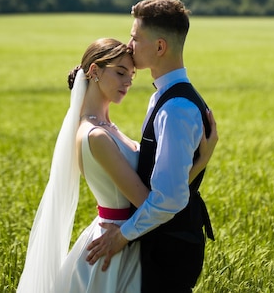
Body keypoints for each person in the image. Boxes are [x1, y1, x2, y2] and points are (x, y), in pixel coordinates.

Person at [16, 36, 217, 293]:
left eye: (131, 76)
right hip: (115, 245)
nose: (127, 82)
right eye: (121, 73)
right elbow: (147, 199)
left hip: (129, 237)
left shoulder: (107, 128)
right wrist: (200, 163)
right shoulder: (96, 135)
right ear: (94, 71)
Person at [86, 0, 217, 293]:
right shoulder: (164, 96)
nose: (129, 45)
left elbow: (169, 198)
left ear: (159, 47)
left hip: (170, 248)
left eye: (135, 37)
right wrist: (202, 160)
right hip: (162, 241)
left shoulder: (176, 108)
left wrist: (122, 236)